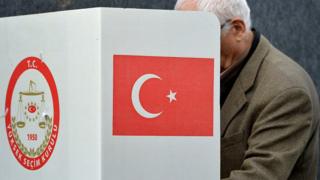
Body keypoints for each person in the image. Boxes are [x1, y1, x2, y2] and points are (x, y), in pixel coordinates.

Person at [175, 0, 320, 179]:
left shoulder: (286, 92)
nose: (186, 47)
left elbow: (258, 176)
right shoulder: (211, 67)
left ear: (237, 29)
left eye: (197, 35)